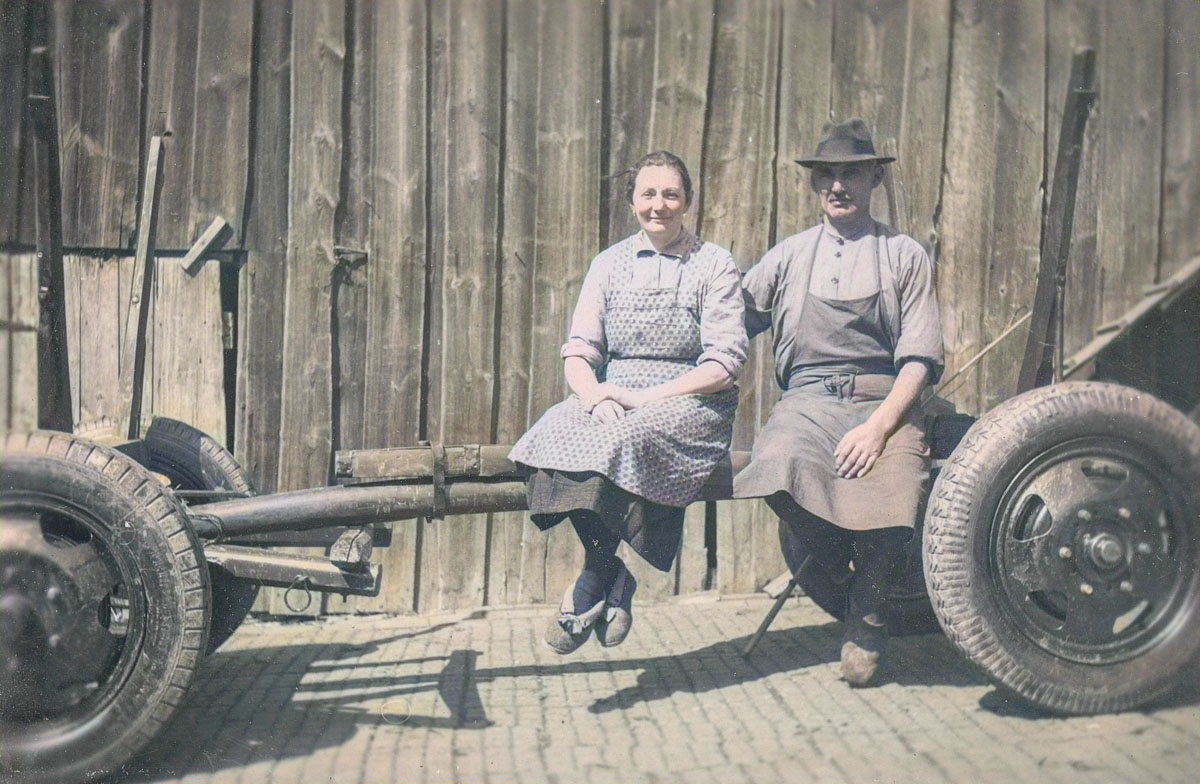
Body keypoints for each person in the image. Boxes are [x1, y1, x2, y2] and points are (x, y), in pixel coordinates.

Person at [510, 151, 747, 654]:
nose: (658, 205)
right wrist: (592, 395)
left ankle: (593, 580)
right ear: (633, 201)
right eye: (648, 194)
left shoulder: (713, 263)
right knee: (550, 432)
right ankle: (613, 573)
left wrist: (641, 398)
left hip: (689, 399)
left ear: (687, 202)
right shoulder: (609, 263)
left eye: (670, 194)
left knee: (622, 438)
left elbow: (723, 364)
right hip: (613, 391)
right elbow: (580, 350)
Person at [734, 119, 944, 686]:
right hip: (806, 403)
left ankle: (867, 616)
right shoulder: (788, 257)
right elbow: (727, 326)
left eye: (851, 173)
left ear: (874, 177)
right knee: (776, 468)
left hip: (886, 402)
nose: (837, 186)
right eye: (825, 175)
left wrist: (878, 428)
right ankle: (855, 582)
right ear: (812, 185)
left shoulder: (904, 255)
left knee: (898, 487)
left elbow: (919, 359)